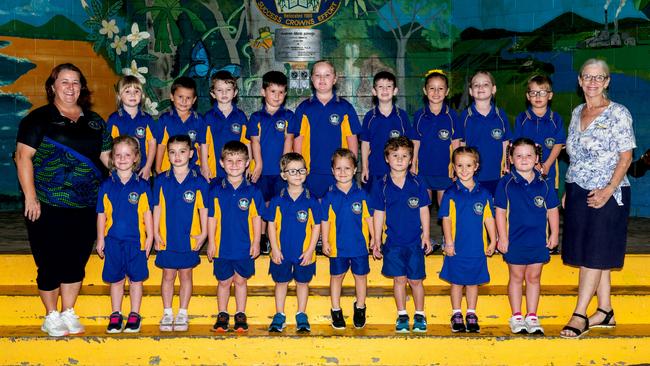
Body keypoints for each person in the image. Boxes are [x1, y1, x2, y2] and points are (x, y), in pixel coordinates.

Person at [15, 63, 112, 337]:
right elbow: (23, 158)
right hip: (47, 204)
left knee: (75, 260)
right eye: (65, 82)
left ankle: (68, 311)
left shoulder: (95, 122)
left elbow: (107, 158)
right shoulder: (38, 119)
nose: (71, 88)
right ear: (53, 87)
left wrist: (129, 169)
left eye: (76, 82)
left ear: (82, 87)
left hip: (85, 205)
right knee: (49, 261)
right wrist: (31, 198)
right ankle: (51, 314)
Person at [560, 59, 636, 339]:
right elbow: (575, 157)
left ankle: (580, 314)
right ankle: (605, 310)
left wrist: (608, 189)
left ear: (607, 82)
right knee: (591, 251)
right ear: (580, 81)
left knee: (595, 250)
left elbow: (626, 157)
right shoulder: (577, 111)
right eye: (587, 77)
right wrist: (569, 190)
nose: (592, 82)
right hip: (578, 189)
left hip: (608, 191)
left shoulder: (618, 113)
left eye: (598, 77)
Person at [494, 138, 560, 335]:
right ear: (511, 159)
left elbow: (553, 210)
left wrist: (555, 234)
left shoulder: (545, 183)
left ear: (537, 158)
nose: (524, 159)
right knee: (516, 276)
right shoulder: (506, 183)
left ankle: (532, 315)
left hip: (538, 240)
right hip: (514, 240)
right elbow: (500, 212)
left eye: (529, 155)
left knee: (534, 277)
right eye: (519, 155)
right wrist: (502, 238)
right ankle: (516, 315)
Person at [370, 136, 432, 333]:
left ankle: (420, 315)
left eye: (404, 156)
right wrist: (376, 238)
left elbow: (424, 209)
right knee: (399, 280)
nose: (399, 159)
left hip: (414, 241)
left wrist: (427, 235)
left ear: (411, 159)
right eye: (395, 155)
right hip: (394, 243)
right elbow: (378, 212)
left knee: (416, 281)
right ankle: (402, 315)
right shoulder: (381, 184)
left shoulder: (418, 182)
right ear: (387, 158)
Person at [96, 135, 153, 333]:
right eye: (118, 155)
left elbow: (147, 215)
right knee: (117, 279)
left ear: (136, 158)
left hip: (136, 242)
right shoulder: (106, 185)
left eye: (127, 155)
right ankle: (116, 314)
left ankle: (135, 314)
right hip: (113, 241)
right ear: (112, 157)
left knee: (136, 279)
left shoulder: (143, 186)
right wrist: (101, 239)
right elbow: (102, 214)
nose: (122, 159)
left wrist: (151, 238)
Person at [152, 135, 209, 332]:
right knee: (167, 275)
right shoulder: (161, 180)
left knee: (186, 276)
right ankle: (167, 312)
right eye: (173, 152)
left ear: (191, 154)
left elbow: (204, 210)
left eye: (182, 151)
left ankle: (183, 312)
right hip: (168, 238)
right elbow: (156, 208)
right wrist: (155, 233)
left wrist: (203, 235)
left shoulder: (199, 181)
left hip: (189, 237)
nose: (177, 156)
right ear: (167, 155)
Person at [439, 146, 497, 333]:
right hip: (456, 248)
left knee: (473, 282)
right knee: (456, 282)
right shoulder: (450, 193)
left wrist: (493, 239)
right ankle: (456, 313)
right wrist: (448, 242)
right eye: (460, 166)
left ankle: (471, 313)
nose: (464, 170)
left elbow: (489, 218)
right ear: (454, 168)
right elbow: (446, 219)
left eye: (468, 165)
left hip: (476, 248)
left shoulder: (484, 193)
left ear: (476, 167)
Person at [207, 141, 263, 332]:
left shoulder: (253, 191)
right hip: (222, 246)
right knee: (223, 282)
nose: (234, 165)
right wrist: (211, 243)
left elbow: (257, 218)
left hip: (243, 246)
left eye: (239, 161)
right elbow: (212, 218)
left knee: (240, 281)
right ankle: (222, 313)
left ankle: (240, 313)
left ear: (247, 163)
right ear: (221, 163)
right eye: (229, 160)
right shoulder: (216, 190)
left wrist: (256, 242)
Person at [265, 153, 322, 333]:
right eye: (292, 171)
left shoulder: (311, 200)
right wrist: (274, 248)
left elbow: (316, 227)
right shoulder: (277, 200)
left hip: (303, 252)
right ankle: (279, 314)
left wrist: (310, 250)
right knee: (281, 283)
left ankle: (301, 314)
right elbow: (271, 225)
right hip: (282, 252)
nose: (297, 174)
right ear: (284, 175)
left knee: (302, 283)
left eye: (301, 170)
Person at [290, 60, 362, 199]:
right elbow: (298, 140)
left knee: (337, 212)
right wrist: (299, 168)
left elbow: (352, 139)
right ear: (311, 79)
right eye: (317, 75)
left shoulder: (345, 108)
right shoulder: (304, 108)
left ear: (335, 79)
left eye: (327, 75)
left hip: (339, 172)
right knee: (313, 213)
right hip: (311, 172)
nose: (322, 79)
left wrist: (350, 166)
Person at [321, 149, 373, 329]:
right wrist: (325, 241)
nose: (343, 173)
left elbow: (369, 218)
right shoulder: (329, 196)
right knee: (337, 277)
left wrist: (374, 239)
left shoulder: (362, 194)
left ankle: (360, 307)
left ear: (355, 169)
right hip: (338, 247)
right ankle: (336, 309)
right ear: (332, 170)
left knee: (360, 277)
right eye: (338, 168)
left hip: (359, 246)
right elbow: (325, 221)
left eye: (347, 168)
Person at [247, 70, 294, 253]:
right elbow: (255, 142)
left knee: (279, 202)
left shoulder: (288, 116)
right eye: (273, 91)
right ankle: (263, 238)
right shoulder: (256, 117)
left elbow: (289, 140)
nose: (277, 96)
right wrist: (258, 165)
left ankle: (280, 237)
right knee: (262, 204)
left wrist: (286, 166)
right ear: (263, 92)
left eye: (281, 92)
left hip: (280, 170)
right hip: (262, 171)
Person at [458, 71, 511, 195]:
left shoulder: (501, 115)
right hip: (472, 175)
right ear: (470, 91)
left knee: (496, 209)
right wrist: (461, 169)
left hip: (497, 174)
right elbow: (461, 145)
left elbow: (506, 143)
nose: (481, 87)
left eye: (485, 84)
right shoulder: (465, 116)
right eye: (476, 85)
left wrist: (507, 166)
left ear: (493, 89)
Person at [412, 70, 460, 205]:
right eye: (432, 88)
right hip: (424, 168)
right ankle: (425, 227)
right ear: (425, 91)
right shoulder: (419, 115)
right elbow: (415, 142)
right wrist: (413, 164)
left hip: (445, 169)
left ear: (447, 91)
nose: (436, 92)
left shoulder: (452, 116)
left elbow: (456, 143)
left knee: (444, 205)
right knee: (423, 205)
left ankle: (447, 227)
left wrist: (456, 166)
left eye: (440, 88)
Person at [360, 71, 414, 191]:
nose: (385, 90)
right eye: (380, 87)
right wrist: (365, 167)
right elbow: (365, 144)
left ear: (395, 91)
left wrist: (411, 166)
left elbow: (410, 144)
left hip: (398, 171)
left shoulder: (402, 116)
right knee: (373, 206)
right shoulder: (370, 117)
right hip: (375, 169)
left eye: (388, 87)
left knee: (395, 204)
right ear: (374, 91)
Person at [513, 75, 566, 189]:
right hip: (524, 171)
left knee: (548, 204)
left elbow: (559, 144)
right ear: (528, 96)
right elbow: (516, 146)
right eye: (533, 92)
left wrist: (546, 165)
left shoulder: (556, 119)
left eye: (542, 92)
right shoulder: (522, 118)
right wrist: (531, 165)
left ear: (550, 95)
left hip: (548, 171)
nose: (537, 96)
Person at [154, 77, 208, 179]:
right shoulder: (165, 119)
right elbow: (161, 145)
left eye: (188, 98)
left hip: (193, 169)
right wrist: (158, 167)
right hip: (168, 169)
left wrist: (204, 167)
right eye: (180, 97)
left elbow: (202, 145)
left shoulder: (199, 120)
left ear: (194, 100)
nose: (184, 101)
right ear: (172, 97)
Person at [106, 75, 157, 180]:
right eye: (127, 91)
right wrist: (112, 169)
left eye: (136, 91)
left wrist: (148, 167)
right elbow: (109, 147)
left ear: (142, 95)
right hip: (121, 170)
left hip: (143, 170)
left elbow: (152, 143)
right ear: (120, 96)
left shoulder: (147, 119)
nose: (132, 95)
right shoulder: (114, 119)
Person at [204, 70, 250, 181]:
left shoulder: (240, 116)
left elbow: (247, 143)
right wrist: (205, 166)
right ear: (213, 93)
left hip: (237, 170)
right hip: (214, 170)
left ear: (235, 93)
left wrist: (249, 166)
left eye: (228, 90)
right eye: (219, 90)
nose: (224, 94)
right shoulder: (208, 117)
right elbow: (204, 144)